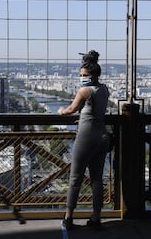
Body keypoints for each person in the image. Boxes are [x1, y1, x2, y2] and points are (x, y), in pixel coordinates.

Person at [58, 50, 110, 230]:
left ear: (93, 75)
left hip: (86, 137)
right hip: (103, 137)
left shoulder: (84, 90)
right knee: (97, 180)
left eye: (84, 75)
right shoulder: (104, 89)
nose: (81, 78)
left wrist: (61, 111)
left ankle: (68, 217)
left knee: (75, 178)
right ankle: (96, 218)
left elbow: (72, 109)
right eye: (80, 75)